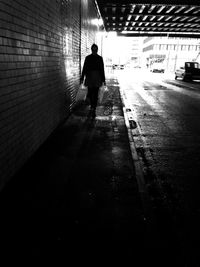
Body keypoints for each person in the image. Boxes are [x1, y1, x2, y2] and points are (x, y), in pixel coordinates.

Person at [80, 43, 106, 118]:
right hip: (92, 77)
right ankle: (92, 107)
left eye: (95, 49)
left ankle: (93, 107)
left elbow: (102, 69)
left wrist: (103, 80)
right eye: (93, 49)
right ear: (92, 50)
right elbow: (84, 68)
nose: (94, 50)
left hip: (94, 77)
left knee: (94, 93)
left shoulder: (95, 58)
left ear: (97, 50)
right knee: (92, 93)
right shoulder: (89, 58)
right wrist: (82, 78)